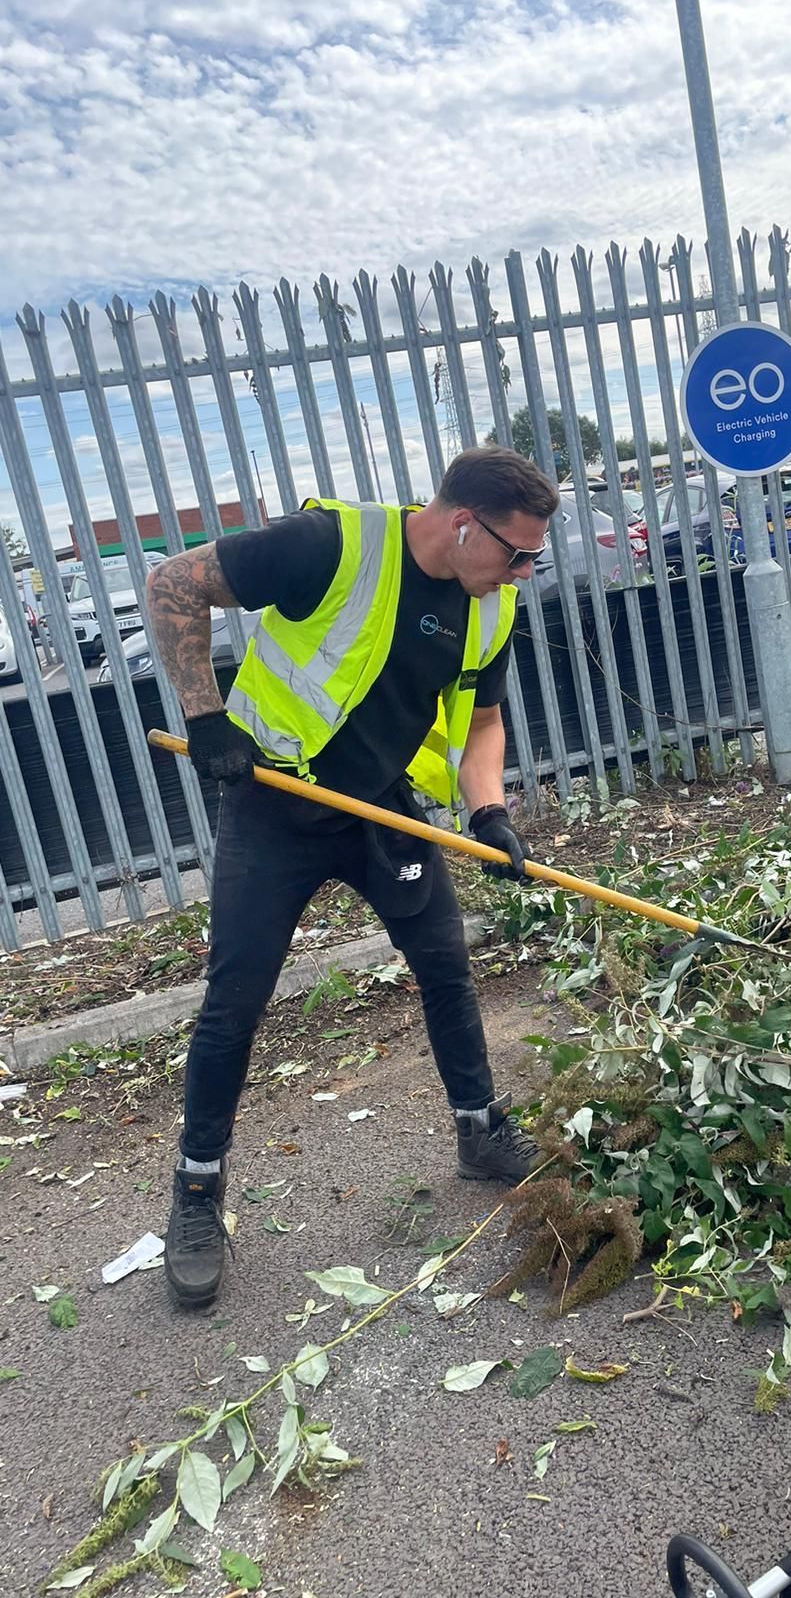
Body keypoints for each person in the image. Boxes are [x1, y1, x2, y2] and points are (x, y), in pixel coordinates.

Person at [145, 446, 559, 1307]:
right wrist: (206, 717)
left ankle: (479, 1130)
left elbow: (483, 722)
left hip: (379, 807)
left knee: (445, 963)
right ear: (460, 522)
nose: (524, 570)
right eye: (516, 552)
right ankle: (194, 1194)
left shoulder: (492, 605)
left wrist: (490, 813)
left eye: (532, 557)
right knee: (235, 1000)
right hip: (274, 803)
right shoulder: (330, 547)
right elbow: (172, 583)